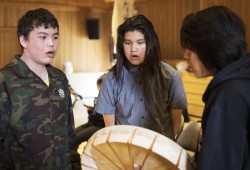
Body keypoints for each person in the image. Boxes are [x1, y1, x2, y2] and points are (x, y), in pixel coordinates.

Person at [0, 8, 81, 169]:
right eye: (43, 37)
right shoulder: (6, 80)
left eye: (55, 37)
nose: (51, 43)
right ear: (24, 40)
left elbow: (69, 132)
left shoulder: (59, 78)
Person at [95, 15, 187, 141]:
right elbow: (110, 130)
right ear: (122, 45)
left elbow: (175, 125)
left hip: (161, 149)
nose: (133, 49)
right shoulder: (110, 80)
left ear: (150, 44)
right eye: (128, 43)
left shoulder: (170, 76)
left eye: (140, 42)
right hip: (125, 150)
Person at [180, 5, 250, 169]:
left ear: (210, 48)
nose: (185, 55)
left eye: (191, 48)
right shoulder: (243, 76)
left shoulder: (227, 96)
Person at [75, 74, 106, 146]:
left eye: (100, 87)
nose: (98, 89)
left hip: (99, 126)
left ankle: (74, 156)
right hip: (92, 123)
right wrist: (91, 110)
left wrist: (94, 112)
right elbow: (96, 115)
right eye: (98, 86)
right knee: (71, 134)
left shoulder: (109, 100)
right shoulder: (97, 98)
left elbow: (101, 116)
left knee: (75, 138)